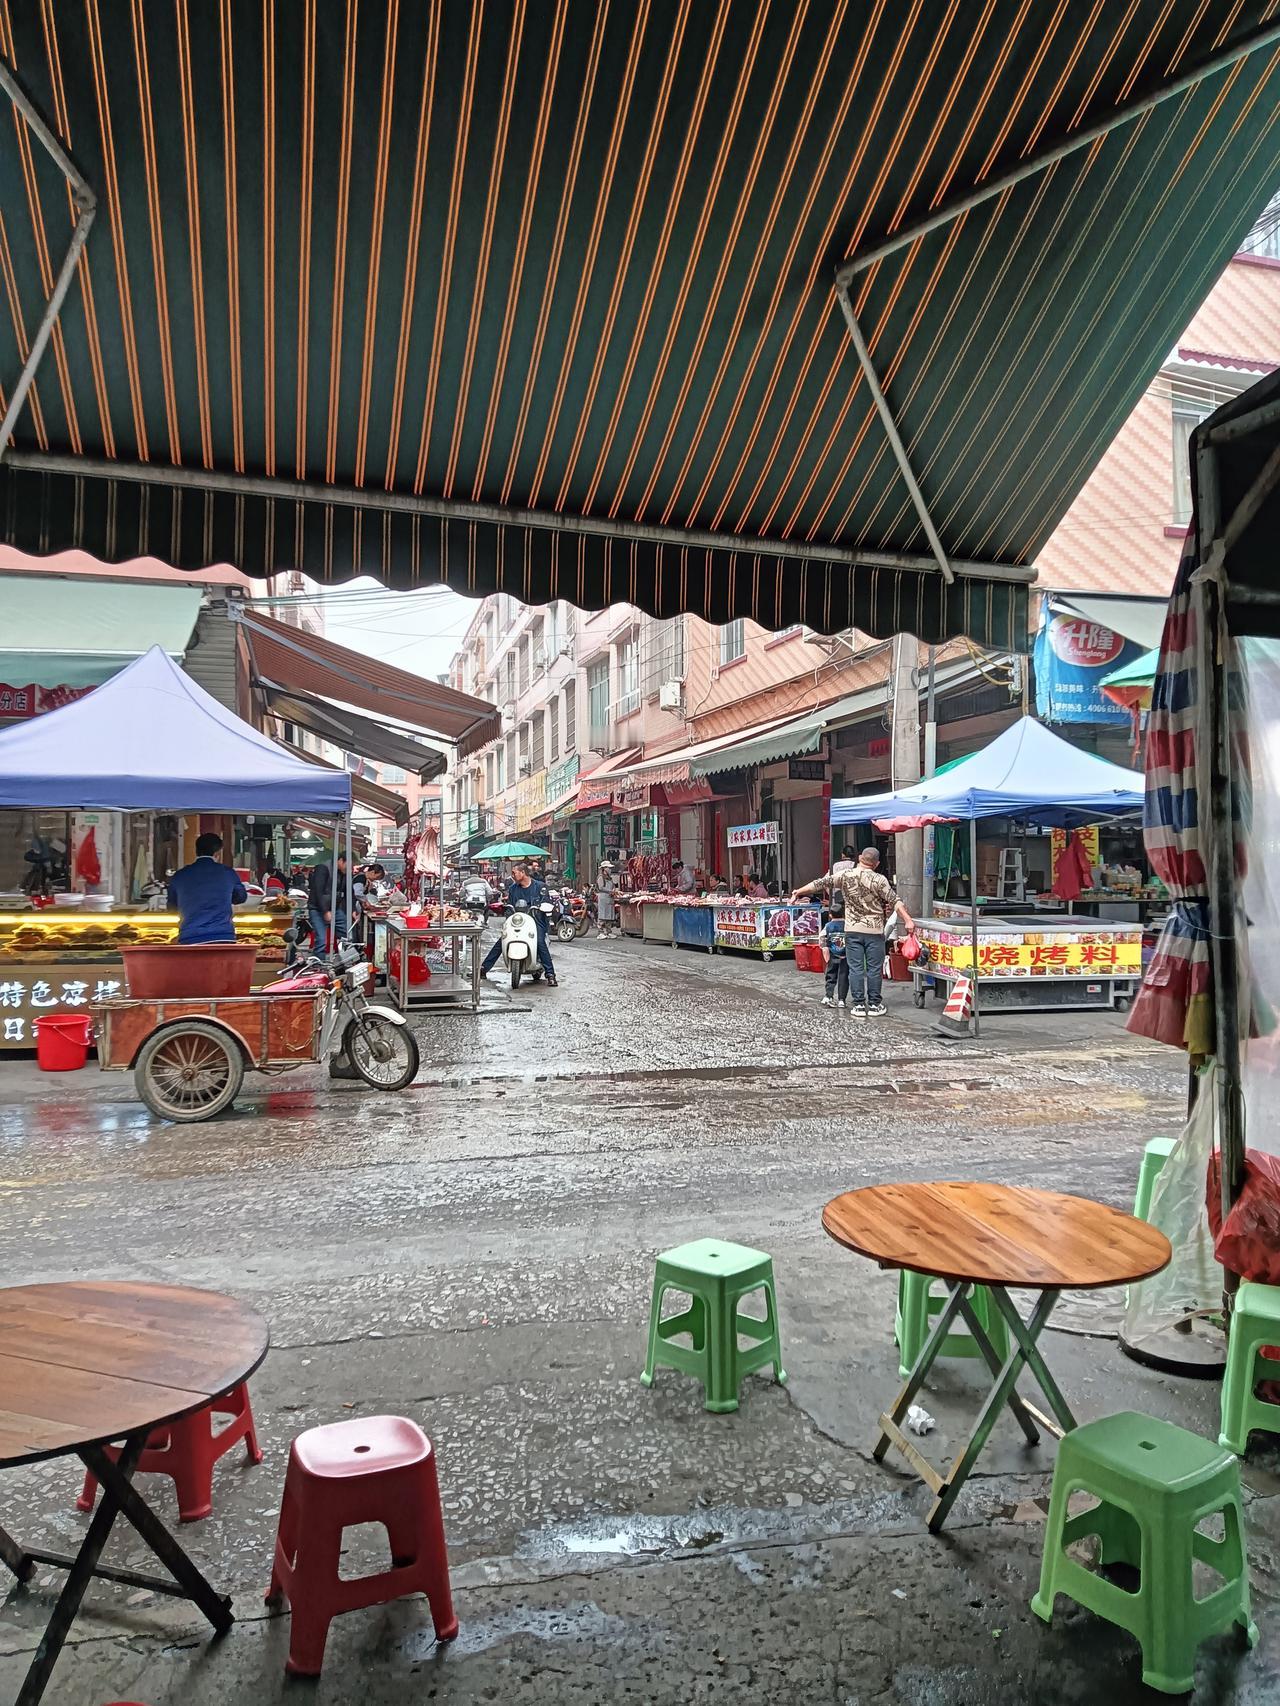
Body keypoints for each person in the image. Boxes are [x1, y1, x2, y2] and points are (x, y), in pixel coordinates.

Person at [792, 846, 914, 1018]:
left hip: (853, 931)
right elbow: (895, 901)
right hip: (874, 930)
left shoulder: (846, 875)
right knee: (873, 969)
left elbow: (820, 883)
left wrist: (799, 891)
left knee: (855, 969)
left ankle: (858, 1006)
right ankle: (874, 1005)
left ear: (859, 858)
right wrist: (908, 919)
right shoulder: (880, 880)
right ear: (877, 863)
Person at [480, 863, 558, 985]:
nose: (513, 876)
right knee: (503, 940)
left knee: (539, 942)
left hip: (536, 921)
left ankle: (550, 975)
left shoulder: (540, 887)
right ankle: (484, 969)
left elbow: (546, 903)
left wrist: (543, 907)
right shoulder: (513, 889)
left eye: (514, 873)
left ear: (523, 873)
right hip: (518, 921)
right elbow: (510, 907)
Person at [168, 832, 247, 945]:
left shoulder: (180, 875)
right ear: (217, 853)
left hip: (190, 938)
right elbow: (241, 897)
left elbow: (171, 907)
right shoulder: (228, 873)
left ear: (196, 850)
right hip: (223, 937)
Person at [307, 851, 348, 953]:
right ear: (341, 861)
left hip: (335, 908)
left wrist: (353, 909)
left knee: (347, 934)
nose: (349, 868)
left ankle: (345, 960)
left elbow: (348, 891)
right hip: (317, 908)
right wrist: (325, 911)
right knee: (321, 940)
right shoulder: (323, 868)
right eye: (348, 865)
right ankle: (319, 966)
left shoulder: (343, 873)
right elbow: (318, 891)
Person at [820, 908, 848, 1009]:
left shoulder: (828, 926)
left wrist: (824, 948)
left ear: (830, 915)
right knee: (843, 978)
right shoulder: (847, 925)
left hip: (832, 955)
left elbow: (822, 937)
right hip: (845, 956)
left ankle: (829, 996)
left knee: (830, 975)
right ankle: (842, 1000)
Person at [595, 860, 620, 939]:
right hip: (603, 898)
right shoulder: (600, 877)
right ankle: (600, 932)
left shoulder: (610, 878)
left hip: (609, 898)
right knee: (602, 916)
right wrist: (610, 891)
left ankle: (608, 932)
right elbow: (601, 887)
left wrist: (615, 891)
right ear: (604, 869)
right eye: (608, 868)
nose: (610, 869)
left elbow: (613, 886)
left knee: (609, 916)